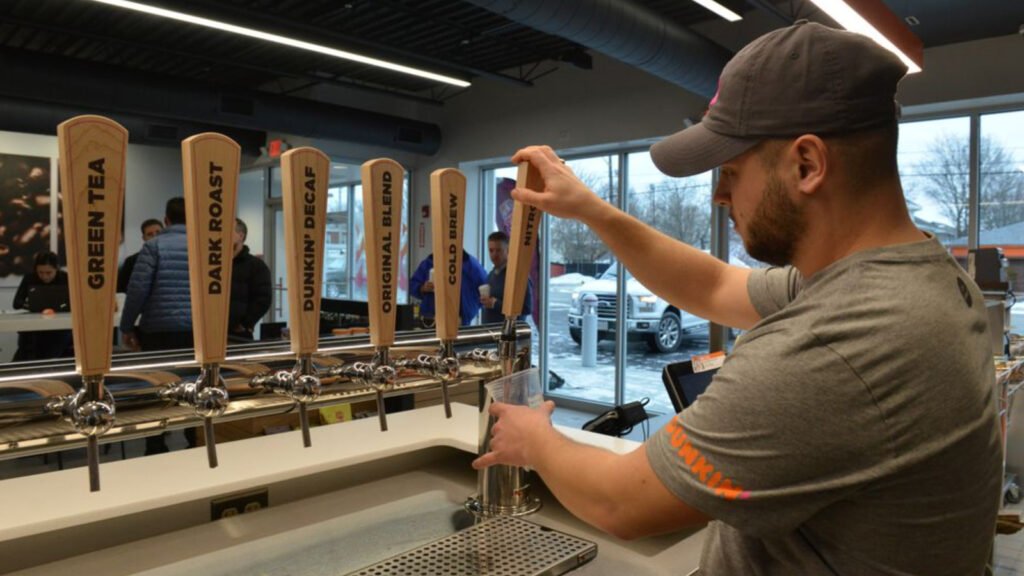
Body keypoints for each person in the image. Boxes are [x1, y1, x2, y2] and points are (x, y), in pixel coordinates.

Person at [474, 22, 1001, 575]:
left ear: (807, 165)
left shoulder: (835, 344)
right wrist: (592, 210)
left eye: (730, 171)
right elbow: (715, 286)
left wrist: (535, 439)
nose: (721, 195)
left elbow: (619, 502)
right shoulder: (916, 275)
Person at [119, 197, 192, 352]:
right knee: (193, 374)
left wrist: (127, 326)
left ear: (166, 220)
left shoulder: (154, 246)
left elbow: (137, 289)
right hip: (197, 328)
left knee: (160, 375)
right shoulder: (205, 246)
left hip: (158, 328)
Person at [11, 250, 71, 360]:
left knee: (55, 345)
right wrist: (34, 306)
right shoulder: (30, 277)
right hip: (34, 326)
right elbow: (17, 303)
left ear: (56, 269)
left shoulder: (65, 278)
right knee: (27, 346)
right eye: (40, 272)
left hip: (59, 327)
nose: (44, 276)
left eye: (49, 273)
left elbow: (74, 303)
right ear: (36, 270)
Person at [409, 250, 487, 327]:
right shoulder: (429, 262)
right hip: (430, 319)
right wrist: (422, 288)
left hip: (458, 320)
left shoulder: (471, 265)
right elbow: (412, 285)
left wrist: (468, 312)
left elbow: (486, 291)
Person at [228, 218, 272, 341]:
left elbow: (263, 299)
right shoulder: (214, 263)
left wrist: (245, 323)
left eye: (227, 231)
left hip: (238, 335)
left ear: (240, 236)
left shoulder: (255, 265)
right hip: (212, 332)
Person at [480, 231, 533, 324]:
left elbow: (527, 308)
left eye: (499, 250)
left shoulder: (517, 275)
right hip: (490, 334)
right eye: (491, 250)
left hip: (509, 335)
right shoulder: (491, 274)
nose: (494, 254)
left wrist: (496, 304)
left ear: (508, 250)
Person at [117, 218, 164, 293]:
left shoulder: (174, 257)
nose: (155, 237)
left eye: (158, 232)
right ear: (144, 238)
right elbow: (121, 289)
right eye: (150, 234)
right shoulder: (131, 262)